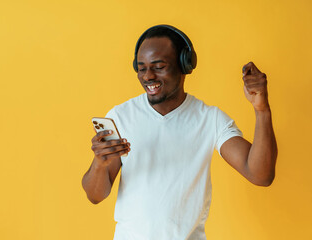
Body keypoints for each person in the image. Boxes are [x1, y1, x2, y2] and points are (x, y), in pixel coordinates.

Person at [82, 25, 277, 240]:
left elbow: (260, 175)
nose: (148, 76)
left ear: (184, 65)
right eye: (141, 67)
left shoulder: (209, 119)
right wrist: (99, 164)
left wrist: (261, 109)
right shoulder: (120, 116)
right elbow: (95, 196)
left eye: (159, 66)